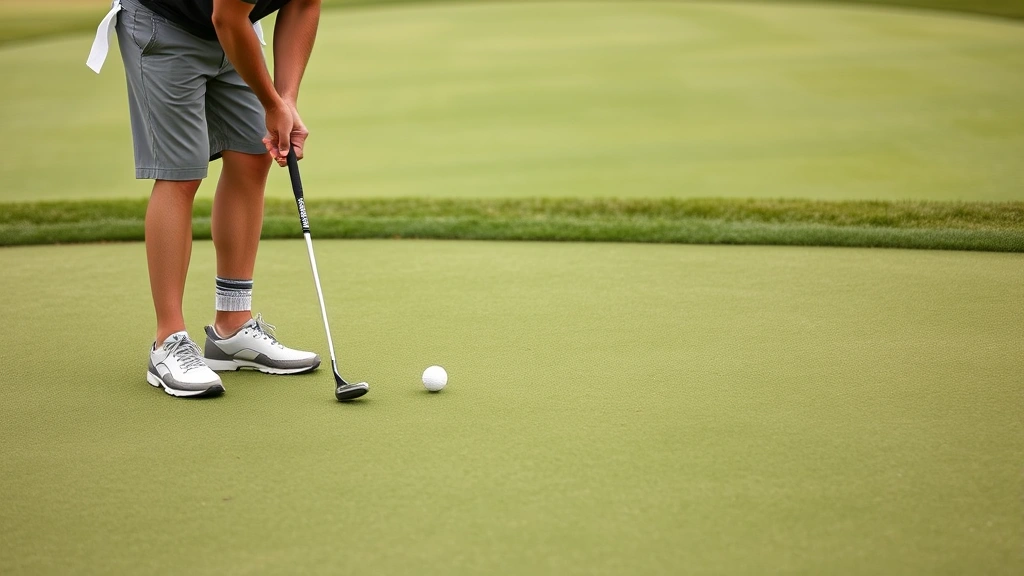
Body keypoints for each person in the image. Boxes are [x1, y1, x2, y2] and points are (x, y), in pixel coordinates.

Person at [88, 0, 324, 397]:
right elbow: (226, 16)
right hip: (164, 23)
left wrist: (286, 100)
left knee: (252, 156)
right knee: (181, 173)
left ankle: (232, 327)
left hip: (233, 33)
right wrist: (271, 104)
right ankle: (168, 341)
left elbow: (304, 3)